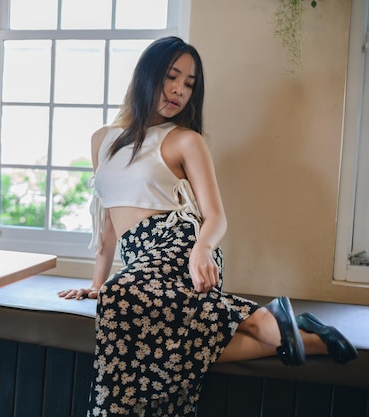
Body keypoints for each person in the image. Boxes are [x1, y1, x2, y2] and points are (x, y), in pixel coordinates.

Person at [58, 36, 357, 417]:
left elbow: (215, 216)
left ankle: (269, 321)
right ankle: (290, 331)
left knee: (122, 295)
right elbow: (108, 228)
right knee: (130, 310)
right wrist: (96, 285)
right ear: (147, 75)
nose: (179, 90)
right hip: (140, 262)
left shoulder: (186, 140)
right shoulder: (102, 140)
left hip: (181, 243)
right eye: (172, 77)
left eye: (189, 84)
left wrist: (201, 249)